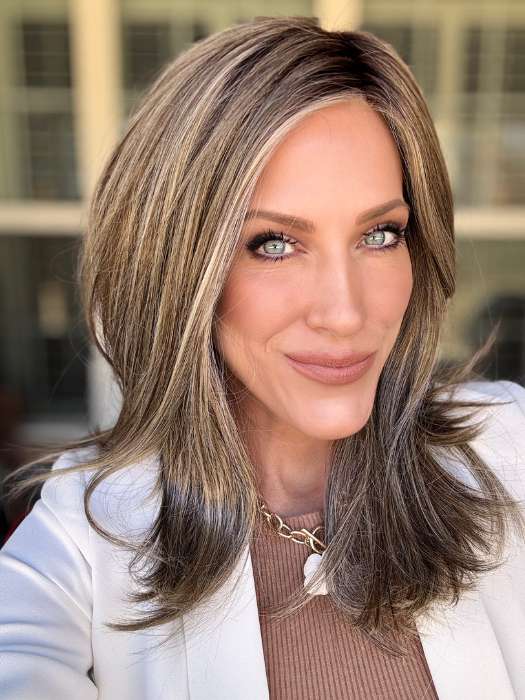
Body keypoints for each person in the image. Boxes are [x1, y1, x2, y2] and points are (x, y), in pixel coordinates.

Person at [1, 15, 524, 700]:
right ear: (178, 269)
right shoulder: (84, 538)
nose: (345, 312)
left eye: (379, 234)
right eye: (273, 244)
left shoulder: (509, 448)